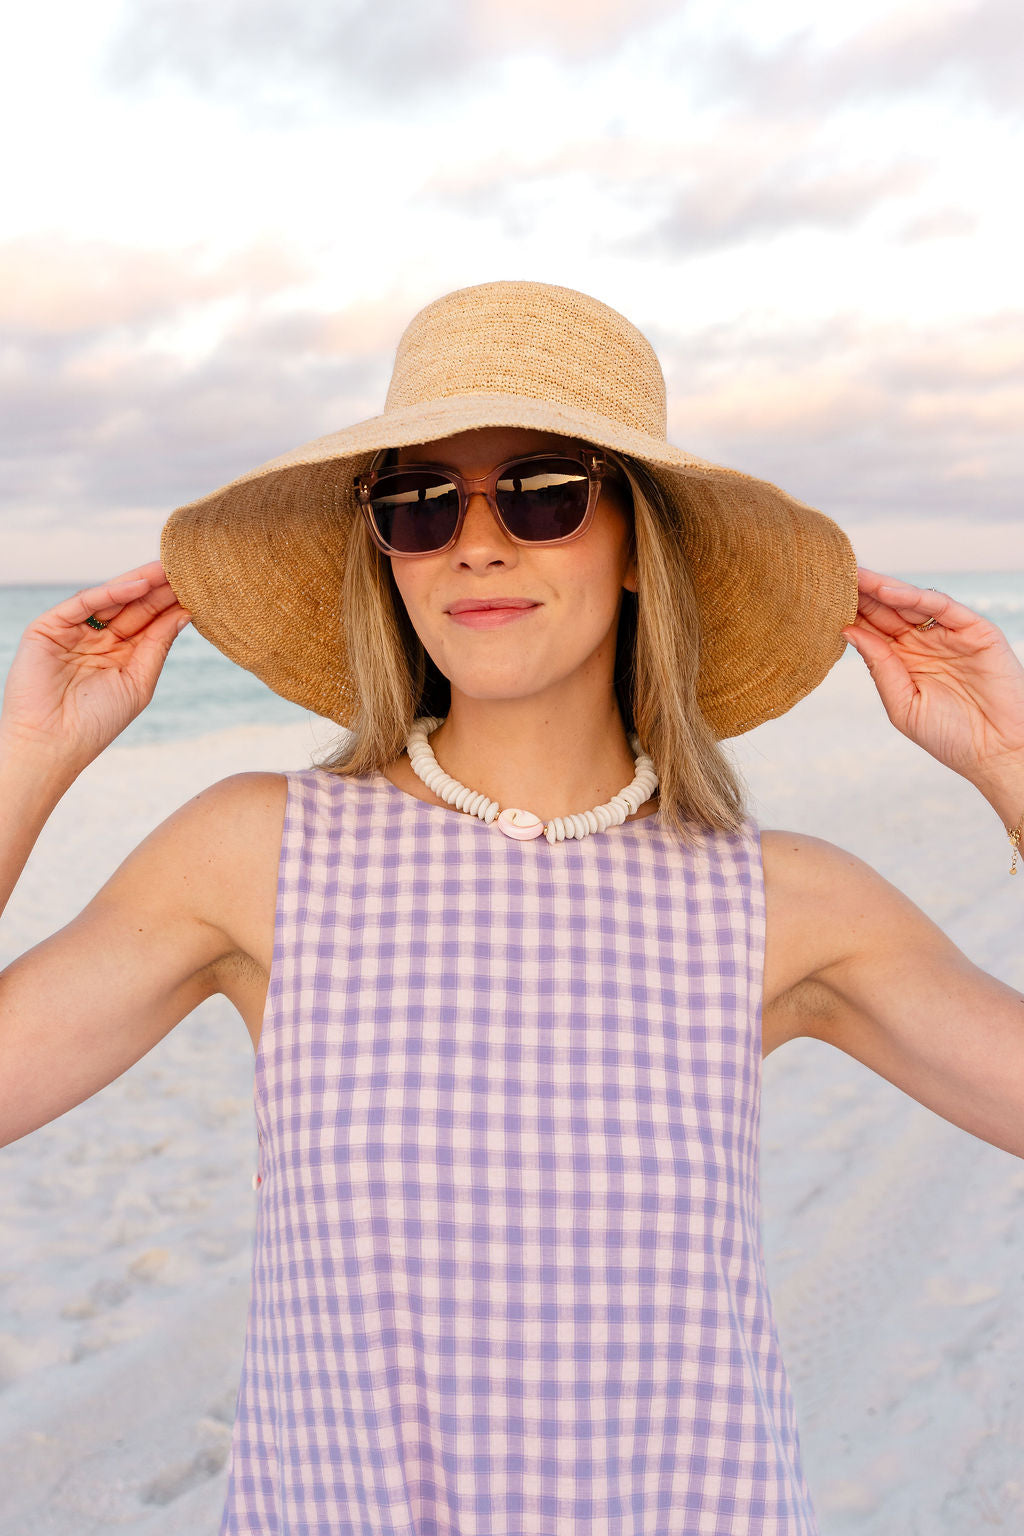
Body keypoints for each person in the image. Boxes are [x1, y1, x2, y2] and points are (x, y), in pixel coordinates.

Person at [1, 279, 1022, 1536]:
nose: (476, 543)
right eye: (419, 504)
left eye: (544, 492)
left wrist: (1011, 763)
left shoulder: (780, 898)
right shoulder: (257, 853)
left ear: (639, 545)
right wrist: (31, 753)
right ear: (388, 555)